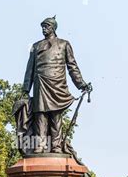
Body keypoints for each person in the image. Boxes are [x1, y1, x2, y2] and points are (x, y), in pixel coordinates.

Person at [23, 16, 91, 153]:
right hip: (40, 83)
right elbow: (30, 69)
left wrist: (81, 84)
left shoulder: (64, 44)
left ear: (53, 28)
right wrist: (25, 89)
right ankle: (40, 144)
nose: (43, 29)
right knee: (40, 115)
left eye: (46, 26)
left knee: (55, 115)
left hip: (57, 84)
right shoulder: (36, 46)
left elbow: (72, 67)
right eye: (42, 26)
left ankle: (56, 146)